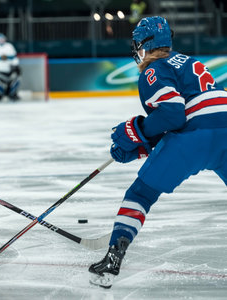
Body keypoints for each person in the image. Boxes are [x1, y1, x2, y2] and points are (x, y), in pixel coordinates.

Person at [88, 16, 227, 288]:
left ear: (145, 44)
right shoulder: (188, 61)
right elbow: (185, 115)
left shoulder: (153, 69)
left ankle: (113, 259)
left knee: (141, 193)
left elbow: (174, 115)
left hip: (194, 137)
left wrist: (135, 132)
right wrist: (141, 145)